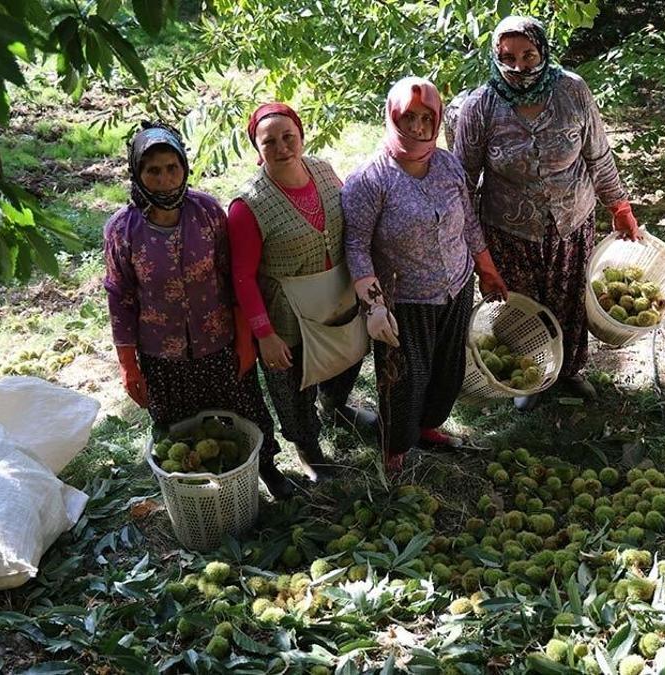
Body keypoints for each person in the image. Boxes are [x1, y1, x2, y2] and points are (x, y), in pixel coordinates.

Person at [454, 15, 642, 409]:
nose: (520, 67)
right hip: (509, 227)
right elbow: (462, 183)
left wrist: (619, 206)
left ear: (543, 50)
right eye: (508, 58)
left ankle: (569, 371)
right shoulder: (480, 107)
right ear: (495, 56)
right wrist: (475, 251)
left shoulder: (572, 91)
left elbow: (598, 155)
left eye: (529, 55)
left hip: (572, 220)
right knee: (520, 303)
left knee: (570, 298)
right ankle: (529, 377)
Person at [103, 122, 286, 495]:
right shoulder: (123, 230)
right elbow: (119, 297)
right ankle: (195, 491)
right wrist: (127, 364)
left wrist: (245, 340)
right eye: (153, 171)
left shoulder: (206, 213)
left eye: (173, 168)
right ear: (137, 173)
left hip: (218, 338)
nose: (165, 180)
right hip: (161, 352)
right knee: (180, 430)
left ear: (185, 167)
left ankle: (266, 468)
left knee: (246, 412)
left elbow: (232, 275)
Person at [342, 77, 507, 476]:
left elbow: (467, 222)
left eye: (426, 117)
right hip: (407, 299)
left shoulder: (447, 164)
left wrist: (487, 270)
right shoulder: (371, 179)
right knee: (405, 379)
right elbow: (356, 247)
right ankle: (395, 444)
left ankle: (428, 427)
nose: (418, 127)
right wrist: (375, 305)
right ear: (392, 117)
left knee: (447, 369)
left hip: (456, 285)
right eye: (409, 117)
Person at [228, 103, 377, 493]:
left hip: (337, 292)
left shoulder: (324, 171)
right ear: (257, 149)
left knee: (348, 352)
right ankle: (308, 448)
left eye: (288, 136)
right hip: (287, 309)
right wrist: (265, 334)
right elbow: (242, 277)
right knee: (293, 385)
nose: (281, 147)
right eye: (269, 141)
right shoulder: (248, 206)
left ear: (301, 134)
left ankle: (337, 405)